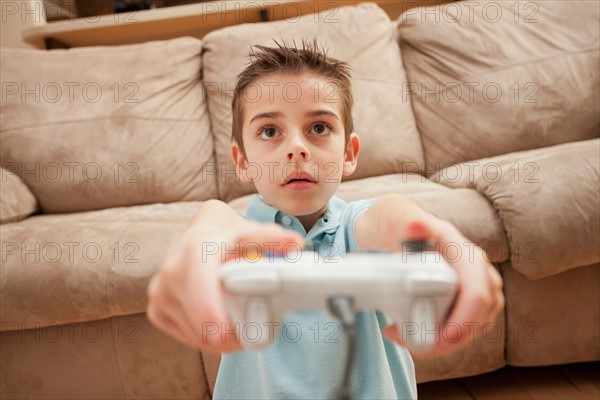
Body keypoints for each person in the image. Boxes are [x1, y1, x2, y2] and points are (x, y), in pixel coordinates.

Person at [147, 40, 504, 399]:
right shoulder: (241, 239)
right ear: (241, 161)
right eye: (270, 131)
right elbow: (214, 222)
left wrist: (433, 234)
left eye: (318, 128)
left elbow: (389, 216)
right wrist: (200, 243)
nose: (296, 148)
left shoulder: (357, 226)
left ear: (349, 153)